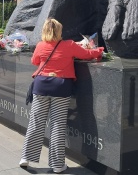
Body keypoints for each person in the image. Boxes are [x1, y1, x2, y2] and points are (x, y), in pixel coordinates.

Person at [19, 18, 103, 173]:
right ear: (59, 31)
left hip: (41, 86)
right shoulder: (69, 45)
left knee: (36, 122)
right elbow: (86, 55)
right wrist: (99, 50)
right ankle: (57, 165)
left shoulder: (40, 45)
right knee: (57, 126)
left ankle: (26, 157)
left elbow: (34, 61)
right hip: (61, 87)